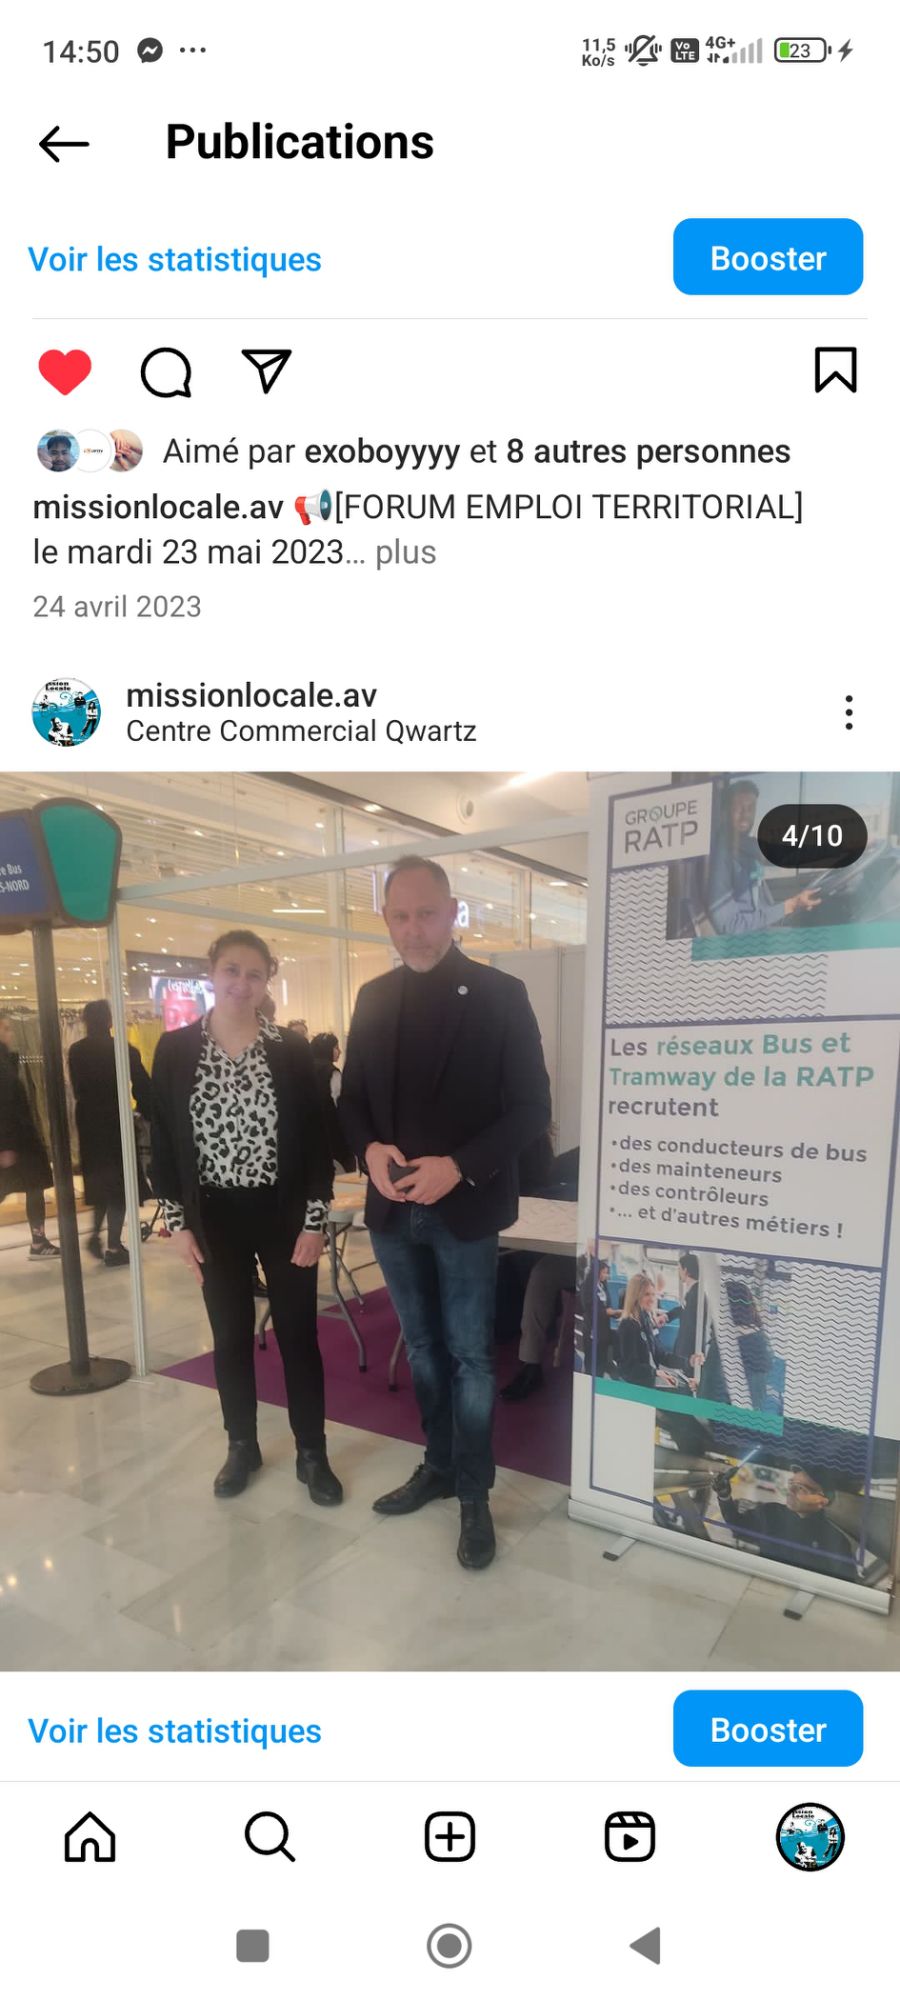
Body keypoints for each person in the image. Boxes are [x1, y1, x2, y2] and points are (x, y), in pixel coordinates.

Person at [341, 856, 551, 1570]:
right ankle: (437, 1463)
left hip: (465, 1208)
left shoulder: (500, 993)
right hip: (392, 1211)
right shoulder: (373, 996)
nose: (414, 929)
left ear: (453, 912)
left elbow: (532, 1107)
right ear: (386, 920)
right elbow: (351, 1100)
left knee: (469, 1356)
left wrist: (458, 1166)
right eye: (400, 916)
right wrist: (369, 1149)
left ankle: (473, 1492)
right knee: (424, 1348)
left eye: (426, 913)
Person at [151, 928, 341, 1505]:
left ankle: (312, 1451)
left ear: (267, 981)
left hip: (283, 1212)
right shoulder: (176, 1049)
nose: (241, 982)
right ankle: (242, 1445)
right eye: (231, 970)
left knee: (299, 1335)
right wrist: (177, 1222)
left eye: (254, 973)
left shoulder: (289, 1050)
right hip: (215, 1217)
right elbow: (164, 1141)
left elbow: (317, 1143)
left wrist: (314, 1222)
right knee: (230, 1336)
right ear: (212, 972)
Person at [68, 999, 153, 1266]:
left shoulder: (76, 1051)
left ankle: (95, 1234)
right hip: (116, 1121)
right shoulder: (123, 1049)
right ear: (109, 1020)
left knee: (99, 1182)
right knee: (120, 1185)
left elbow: (78, 1088)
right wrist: (146, 1113)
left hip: (89, 1122)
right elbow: (142, 1086)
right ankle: (114, 1246)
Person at [707, 779, 821, 935]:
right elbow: (732, 927)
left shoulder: (746, 846)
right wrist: (791, 905)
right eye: (738, 808)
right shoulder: (720, 856)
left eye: (750, 808)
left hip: (764, 933)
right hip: (746, 943)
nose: (745, 815)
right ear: (725, 812)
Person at [712, 1463, 855, 1580]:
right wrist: (724, 1495)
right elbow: (739, 1528)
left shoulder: (835, 1541)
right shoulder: (770, 1513)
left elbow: (842, 1585)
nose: (790, 1490)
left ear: (822, 1501)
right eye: (791, 1483)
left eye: (800, 1488)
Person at [0, 1015, 60, 1259]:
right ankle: (38, 1242)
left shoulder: (6, 1060)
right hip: (16, 1142)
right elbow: (5, 1105)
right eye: (5, 1028)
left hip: (17, 1140)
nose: (10, 1033)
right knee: (32, 1184)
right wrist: (6, 1145)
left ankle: (39, 1241)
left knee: (34, 1185)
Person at [615, 1272, 678, 1390]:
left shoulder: (646, 1319)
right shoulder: (628, 1325)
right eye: (647, 1294)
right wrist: (655, 1372)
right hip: (634, 1387)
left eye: (653, 1294)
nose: (652, 1299)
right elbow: (630, 1368)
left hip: (647, 1381)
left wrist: (687, 1363)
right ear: (636, 1296)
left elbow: (659, 1354)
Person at [309, 1031, 355, 1172]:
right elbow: (341, 1103)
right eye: (336, 1047)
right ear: (326, 1048)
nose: (339, 1051)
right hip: (334, 1133)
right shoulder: (331, 1072)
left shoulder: (305, 1068)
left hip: (312, 1132)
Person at [576, 1253, 614, 1377]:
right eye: (603, 1272)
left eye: (606, 1273)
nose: (606, 1275)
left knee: (602, 1358)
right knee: (591, 1358)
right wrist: (605, 1312)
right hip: (591, 1327)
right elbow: (588, 1307)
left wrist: (612, 1312)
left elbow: (607, 1304)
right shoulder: (587, 1287)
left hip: (603, 1328)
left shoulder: (603, 1286)